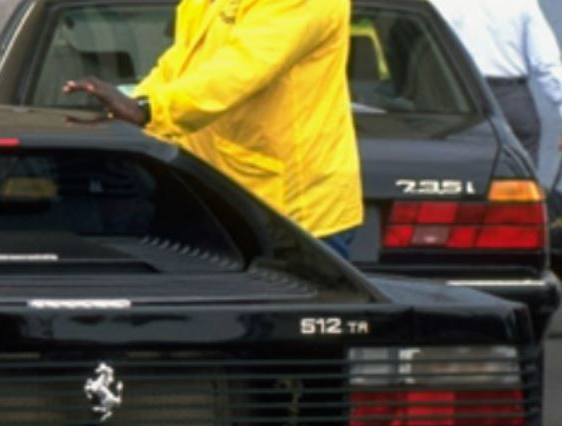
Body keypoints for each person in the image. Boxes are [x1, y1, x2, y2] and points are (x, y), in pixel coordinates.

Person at [63, 0, 363, 258]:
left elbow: (242, 69)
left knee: (281, 323)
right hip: (221, 194)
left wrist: (149, 110)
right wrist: (133, 104)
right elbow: (183, 61)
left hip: (292, 211)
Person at [429, 0, 562, 165]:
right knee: (519, 177)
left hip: (459, 99)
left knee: (456, 174)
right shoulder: (523, 3)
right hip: (511, 99)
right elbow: (547, 64)